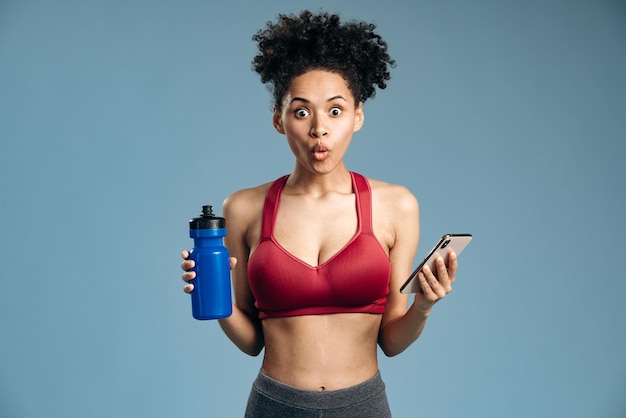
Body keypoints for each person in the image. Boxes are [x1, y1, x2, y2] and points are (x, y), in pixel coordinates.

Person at [181, 10, 459, 417]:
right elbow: (251, 341)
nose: (319, 129)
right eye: (301, 111)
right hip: (275, 405)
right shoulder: (243, 208)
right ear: (279, 119)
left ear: (357, 116)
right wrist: (214, 296)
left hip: (362, 405)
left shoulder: (396, 205)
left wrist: (424, 305)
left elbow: (392, 341)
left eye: (334, 110)